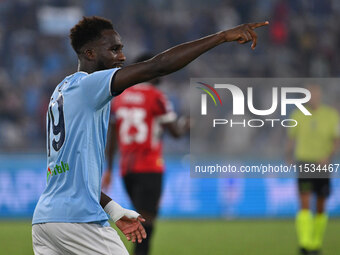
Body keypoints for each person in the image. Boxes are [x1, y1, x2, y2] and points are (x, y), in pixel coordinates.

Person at [32, 16, 268, 254]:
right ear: (90, 54)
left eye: (121, 49)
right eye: (114, 50)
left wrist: (113, 209)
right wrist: (222, 36)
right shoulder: (90, 86)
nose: (122, 57)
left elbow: (70, 177)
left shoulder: (61, 90)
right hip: (79, 220)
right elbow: (158, 66)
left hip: (45, 221)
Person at [102, 53, 189, 255]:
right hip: (149, 167)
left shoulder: (119, 98)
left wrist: (108, 168)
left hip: (127, 170)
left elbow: (112, 137)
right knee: (146, 227)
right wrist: (186, 125)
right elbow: (175, 132)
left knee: (140, 222)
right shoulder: (156, 96)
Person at [286, 85, 340, 255]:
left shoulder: (331, 115)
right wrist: (288, 156)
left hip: (323, 165)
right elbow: (291, 138)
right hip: (304, 163)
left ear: (320, 96)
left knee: (321, 205)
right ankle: (305, 243)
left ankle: (316, 242)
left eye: (315, 94)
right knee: (304, 203)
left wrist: (328, 156)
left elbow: (336, 141)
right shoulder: (298, 115)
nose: (313, 98)